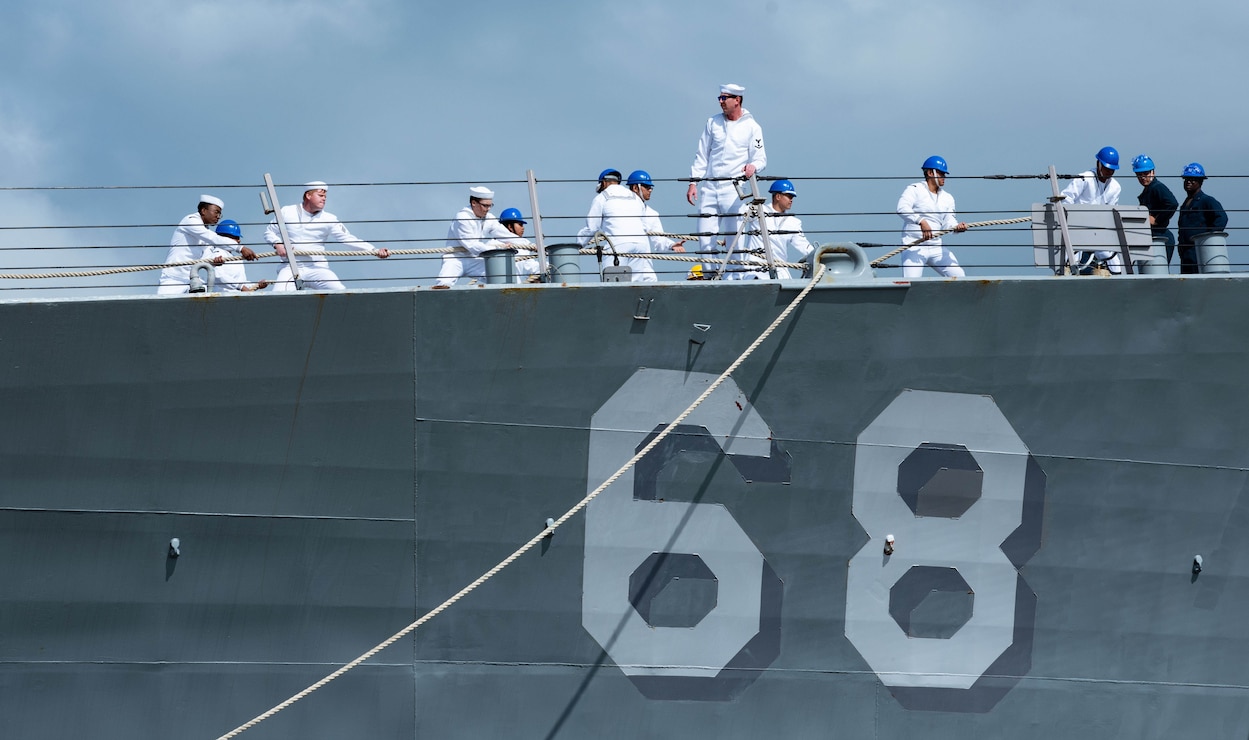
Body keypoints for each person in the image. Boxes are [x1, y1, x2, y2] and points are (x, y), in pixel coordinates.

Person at [687, 84, 767, 268]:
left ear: (737, 100)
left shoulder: (752, 127)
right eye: (720, 98)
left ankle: (735, 276)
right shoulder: (712, 122)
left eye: (724, 98)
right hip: (710, 187)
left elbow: (760, 157)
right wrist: (693, 182)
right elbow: (702, 154)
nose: (721, 102)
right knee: (705, 240)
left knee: (735, 241)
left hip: (734, 191)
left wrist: (753, 167)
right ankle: (708, 276)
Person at [265, 182, 389, 291]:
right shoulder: (287, 211)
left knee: (340, 292)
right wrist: (278, 244)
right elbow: (269, 232)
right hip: (290, 266)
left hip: (317, 267)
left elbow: (348, 238)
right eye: (320, 195)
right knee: (278, 295)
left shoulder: (329, 219)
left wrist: (374, 250)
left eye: (325, 196)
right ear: (308, 195)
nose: (324, 199)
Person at [159, 195, 256, 294]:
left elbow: (207, 257)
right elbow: (212, 237)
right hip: (174, 278)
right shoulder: (190, 221)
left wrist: (214, 262)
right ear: (203, 210)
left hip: (194, 280)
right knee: (163, 307)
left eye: (220, 214)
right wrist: (240, 248)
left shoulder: (206, 231)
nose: (218, 216)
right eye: (216, 212)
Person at [896, 156, 968, 278]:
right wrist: (921, 221)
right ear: (930, 173)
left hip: (936, 247)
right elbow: (902, 208)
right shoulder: (914, 189)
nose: (944, 177)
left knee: (960, 276)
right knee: (910, 283)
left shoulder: (948, 198)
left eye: (944, 174)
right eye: (941, 173)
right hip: (914, 246)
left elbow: (948, 221)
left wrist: (956, 227)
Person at [577, 167, 652, 281]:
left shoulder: (602, 197)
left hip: (618, 245)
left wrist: (577, 246)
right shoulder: (635, 198)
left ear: (603, 183)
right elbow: (643, 224)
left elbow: (592, 227)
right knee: (636, 285)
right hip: (640, 245)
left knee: (613, 285)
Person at [730, 179, 814, 280]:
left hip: (779, 269)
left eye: (792, 197)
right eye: (789, 196)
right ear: (778, 196)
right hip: (755, 268)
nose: (791, 200)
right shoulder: (758, 210)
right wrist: (731, 237)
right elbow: (738, 217)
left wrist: (819, 255)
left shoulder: (794, 223)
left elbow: (804, 246)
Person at [436, 186, 515, 288]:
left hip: (474, 259)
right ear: (474, 203)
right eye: (485, 206)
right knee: (443, 285)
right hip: (455, 258)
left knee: (501, 278)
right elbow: (472, 245)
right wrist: (498, 248)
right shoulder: (462, 217)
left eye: (490, 206)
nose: (488, 209)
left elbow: (506, 235)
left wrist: (531, 245)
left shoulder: (489, 218)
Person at [1060, 146, 1122, 274]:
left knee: (1114, 261)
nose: (1109, 172)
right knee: (1069, 259)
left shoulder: (1115, 187)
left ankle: (1115, 281)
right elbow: (1066, 199)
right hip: (1076, 230)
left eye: (1111, 169)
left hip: (1099, 233)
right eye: (1106, 168)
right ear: (1098, 164)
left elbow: (1111, 214)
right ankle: (1066, 274)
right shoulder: (1084, 178)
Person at [626, 170, 686, 281]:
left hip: (645, 269)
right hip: (623, 265)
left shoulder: (651, 214)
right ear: (635, 188)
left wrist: (672, 245)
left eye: (651, 187)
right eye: (646, 187)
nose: (650, 190)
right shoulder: (620, 211)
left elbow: (658, 240)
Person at [1176, 162, 1229, 275]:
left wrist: (1207, 239)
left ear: (1200, 182)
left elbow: (1222, 218)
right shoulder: (1185, 205)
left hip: (1199, 252)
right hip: (1186, 254)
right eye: (1186, 179)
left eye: (1193, 179)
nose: (1188, 182)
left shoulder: (1206, 201)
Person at [1131, 155, 1179, 267]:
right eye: (1139, 175)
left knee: (1158, 271)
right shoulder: (1148, 189)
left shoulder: (1157, 187)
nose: (1143, 177)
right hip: (1152, 236)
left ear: (1153, 172)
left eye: (1146, 173)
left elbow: (1172, 203)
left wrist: (1156, 219)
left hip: (1160, 236)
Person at [203, 220, 269, 292]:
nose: (239, 241)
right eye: (236, 237)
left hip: (237, 297)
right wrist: (241, 287)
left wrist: (257, 285)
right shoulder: (218, 254)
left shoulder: (236, 258)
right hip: (222, 297)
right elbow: (217, 276)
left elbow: (241, 282)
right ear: (223, 238)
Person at [498, 207, 541, 281]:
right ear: (510, 226)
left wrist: (548, 266)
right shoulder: (493, 245)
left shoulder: (523, 247)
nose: (523, 228)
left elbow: (531, 267)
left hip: (517, 288)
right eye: (520, 224)